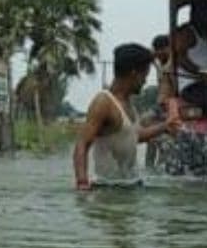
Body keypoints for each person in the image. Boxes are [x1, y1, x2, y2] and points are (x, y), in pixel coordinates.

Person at [73, 43, 180, 190]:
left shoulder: (128, 103)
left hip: (131, 185)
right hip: (108, 189)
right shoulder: (103, 102)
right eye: (144, 76)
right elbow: (82, 144)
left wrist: (165, 126)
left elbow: (134, 136)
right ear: (134, 73)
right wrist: (82, 183)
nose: (145, 81)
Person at [173, 1, 207, 114]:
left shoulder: (206, 31)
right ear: (193, 13)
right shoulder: (187, 32)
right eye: (203, 12)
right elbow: (180, 58)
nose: (206, 15)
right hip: (192, 85)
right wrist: (201, 73)